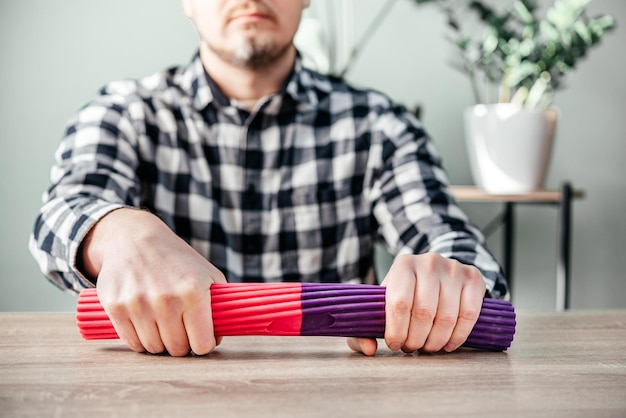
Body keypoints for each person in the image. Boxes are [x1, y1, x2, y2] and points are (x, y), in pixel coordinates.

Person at [29, 0, 508, 357]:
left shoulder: (378, 124)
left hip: (340, 392)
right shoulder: (123, 112)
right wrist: (116, 232)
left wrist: (448, 276)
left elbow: (450, 238)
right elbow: (64, 209)